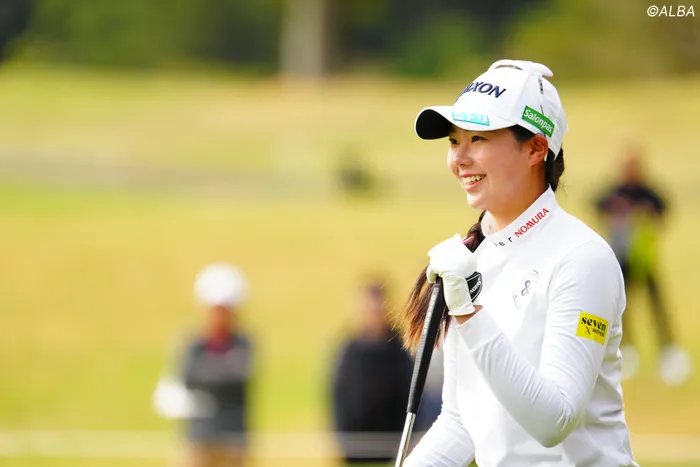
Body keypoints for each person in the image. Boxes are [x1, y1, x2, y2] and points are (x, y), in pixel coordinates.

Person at [397, 59, 638, 466]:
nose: (459, 159)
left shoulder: (583, 259)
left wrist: (468, 312)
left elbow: (554, 420)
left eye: (478, 138)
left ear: (536, 148)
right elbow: (460, 421)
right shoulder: (473, 259)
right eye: (454, 141)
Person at [595, 147, 691, 385]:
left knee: (657, 306)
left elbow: (663, 210)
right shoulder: (615, 193)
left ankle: (667, 351)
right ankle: (626, 349)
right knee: (622, 308)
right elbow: (598, 206)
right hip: (622, 260)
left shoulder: (648, 193)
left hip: (645, 261)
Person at [331, 279, 414, 465]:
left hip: (393, 446)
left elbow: (410, 392)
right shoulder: (349, 348)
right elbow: (338, 395)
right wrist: (341, 438)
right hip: (355, 446)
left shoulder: (400, 348)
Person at [178, 263, 254, 467]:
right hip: (199, 439)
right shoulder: (195, 344)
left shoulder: (243, 343)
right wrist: (220, 370)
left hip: (233, 441)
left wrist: (208, 373)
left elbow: (237, 376)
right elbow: (188, 376)